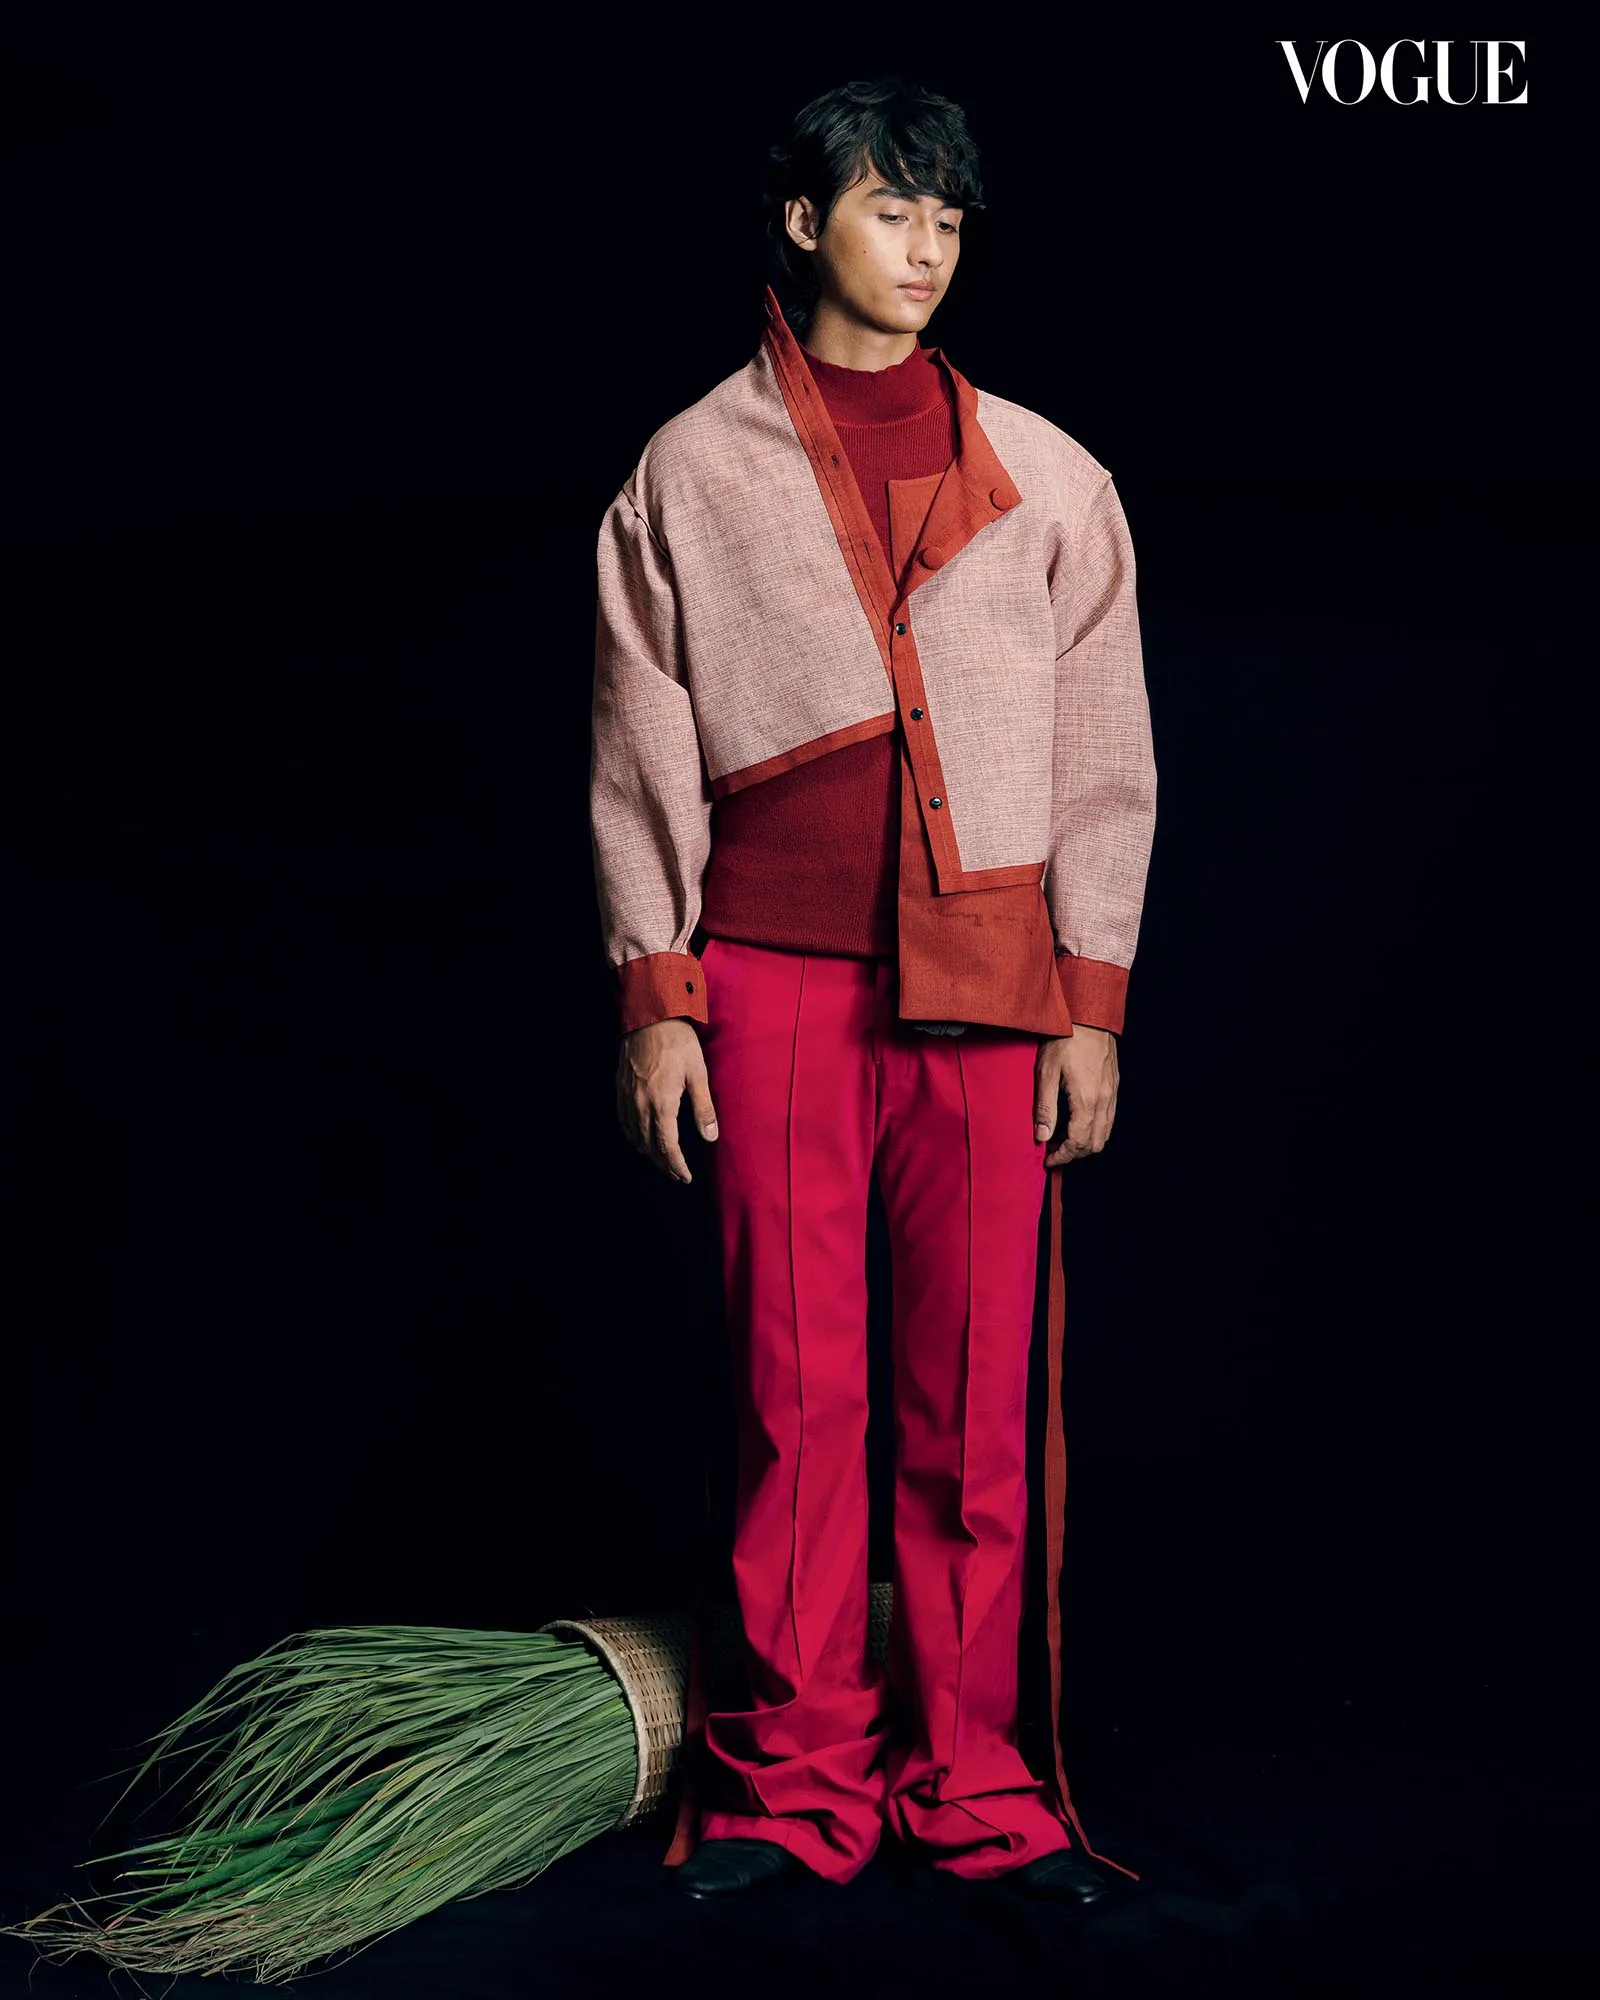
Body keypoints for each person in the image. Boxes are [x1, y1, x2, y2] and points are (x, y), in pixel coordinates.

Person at [589, 75, 1156, 1904]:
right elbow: (639, 747)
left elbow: (1106, 756)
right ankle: (788, 1785)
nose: (925, 248)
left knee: (974, 1405)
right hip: (768, 985)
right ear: (799, 220)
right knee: (791, 1397)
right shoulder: (689, 469)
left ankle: (973, 1783)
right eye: (891, 208)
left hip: (992, 987)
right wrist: (660, 997)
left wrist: (1090, 1002)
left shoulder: (1053, 476)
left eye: (948, 218)